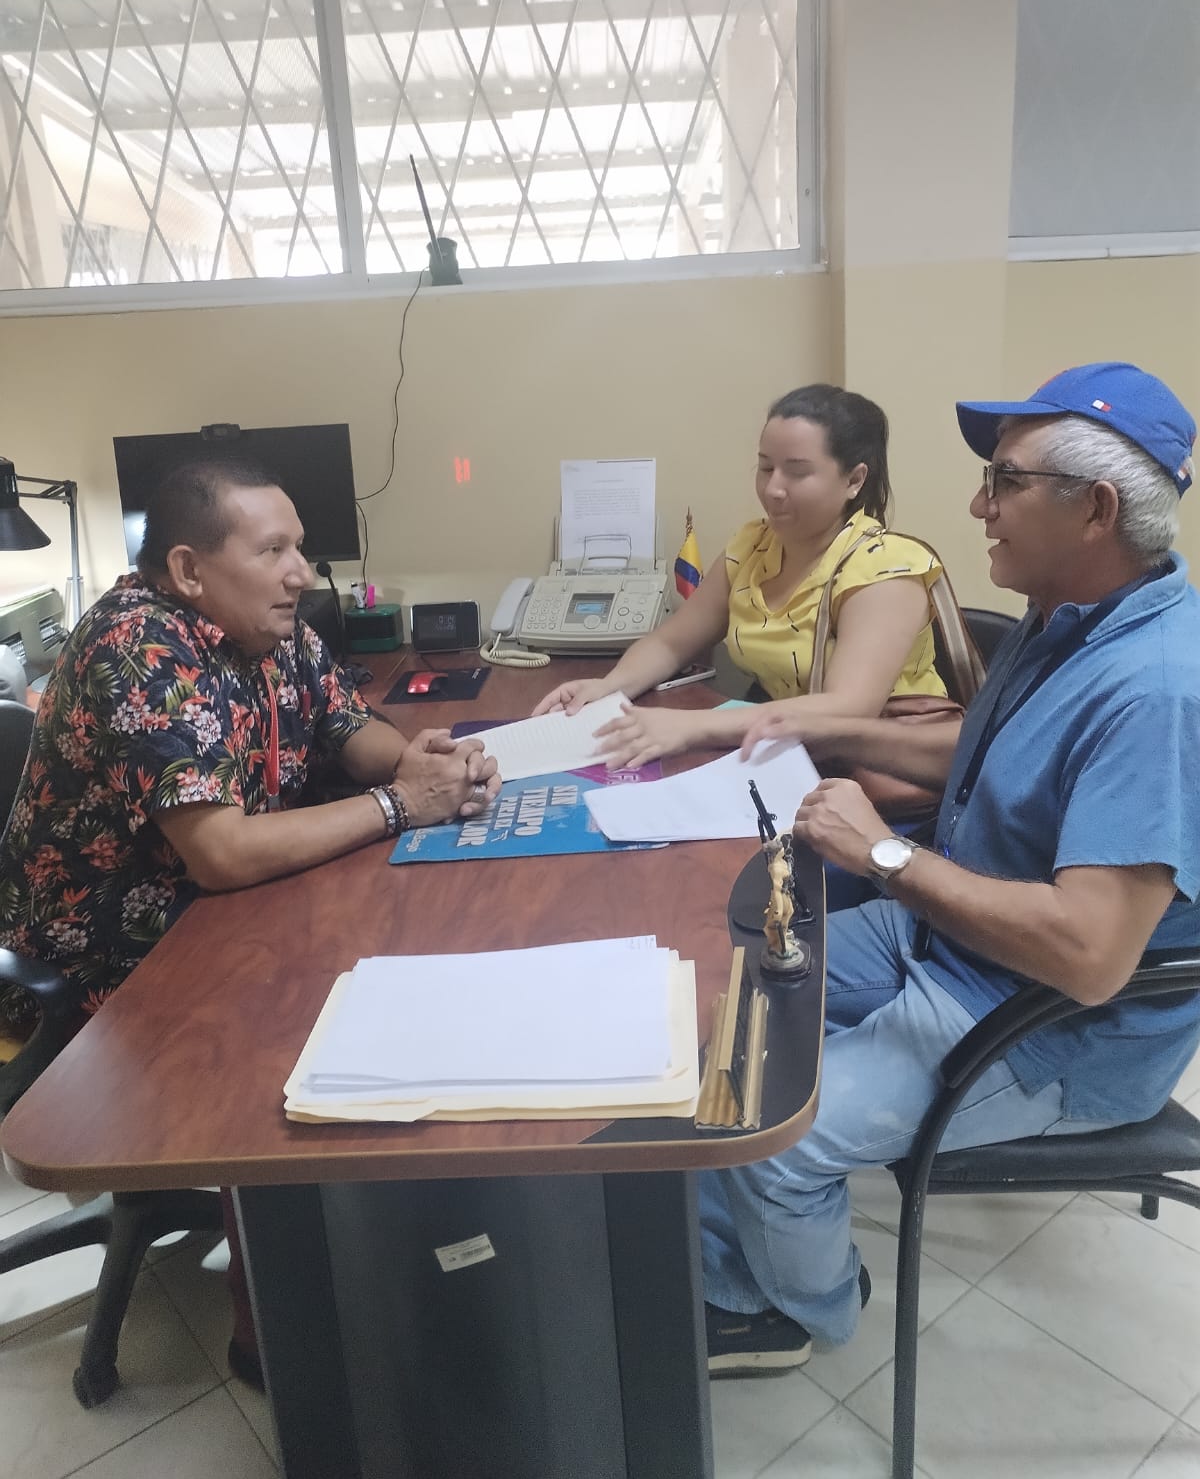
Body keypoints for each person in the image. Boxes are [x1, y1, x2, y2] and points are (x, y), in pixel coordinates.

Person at [702, 361, 1200, 1376]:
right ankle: (730, 1261)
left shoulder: (1155, 692)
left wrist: (883, 853)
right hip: (953, 941)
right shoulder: (1067, 616)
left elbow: (1090, 956)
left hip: (1047, 1025)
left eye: (1006, 482)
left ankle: (798, 1310)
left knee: (776, 1136)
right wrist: (818, 727)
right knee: (720, 992)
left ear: (1096, 509)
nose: (979, 506)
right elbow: (981, 753)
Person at [0, 455, 500, 1387]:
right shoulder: (137, 648)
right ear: (190, 569)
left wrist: (419, 760)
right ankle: (270, 1325)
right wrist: (401, 805)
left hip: (214, 907)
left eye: (298, 547)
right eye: (273, 550)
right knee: (290, 1030)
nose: (300, 571)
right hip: (109, 947)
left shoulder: (271, 627)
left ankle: (387, 1234)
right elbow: (222, 852)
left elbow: (347, 728)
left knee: (405, 945)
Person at [531, 384, 949, 769]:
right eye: (766, 468)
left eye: (797, 472)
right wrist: (610, 687)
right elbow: (671, 642)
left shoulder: (885, 566)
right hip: (786, 753)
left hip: (877, 768)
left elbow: (847, 709)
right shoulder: (752, 546)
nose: (773, 489)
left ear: (854, 480)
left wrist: (690, 727)